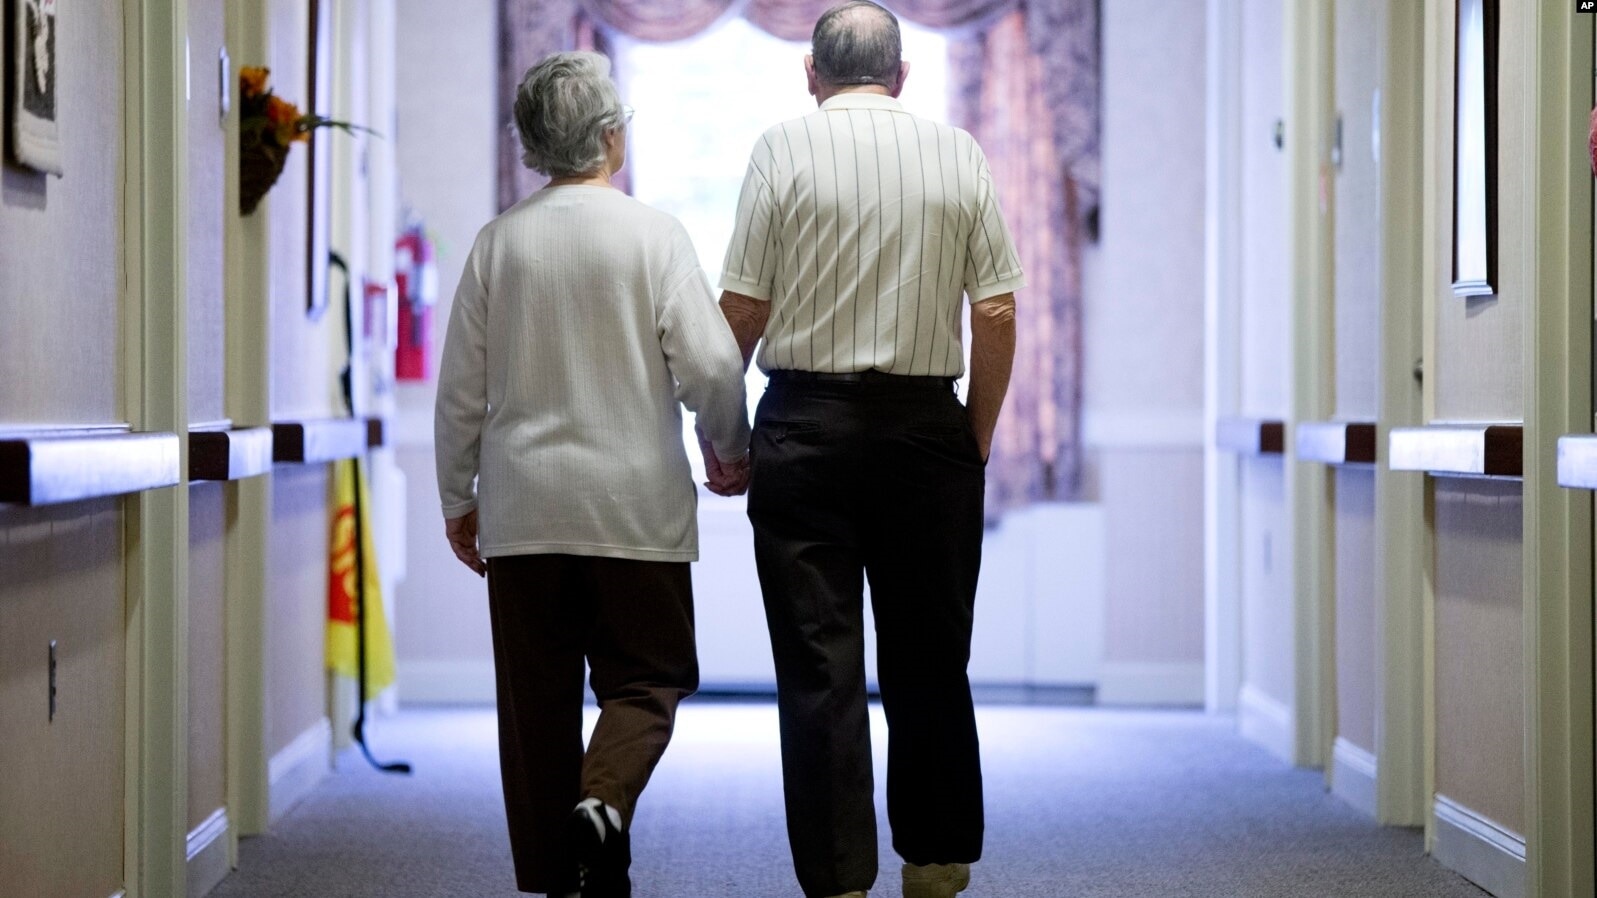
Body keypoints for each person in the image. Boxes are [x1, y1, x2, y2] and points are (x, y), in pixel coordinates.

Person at [708, 3, 1023, 897]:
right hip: (926, 431)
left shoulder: (780, 149)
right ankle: (933, 860)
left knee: (818, 668)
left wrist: (725, 437)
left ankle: (842, 880)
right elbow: (995, 308)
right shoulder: (956, 151)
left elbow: (741, 311)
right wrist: (976, 437)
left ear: (809, 74)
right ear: (902, 74)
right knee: (929, 657)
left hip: (803, 429)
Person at [435, 50, 751, 898]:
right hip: (633, 509)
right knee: (648, 680)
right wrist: (729, 447)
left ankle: (557, 875)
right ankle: (604, 801)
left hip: (524, 509)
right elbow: (714, 369)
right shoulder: (653, 235)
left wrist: (455, 500)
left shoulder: (497, 245)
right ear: (611, 137)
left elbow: (460, 393)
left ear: (534, 147)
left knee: (534, 710)